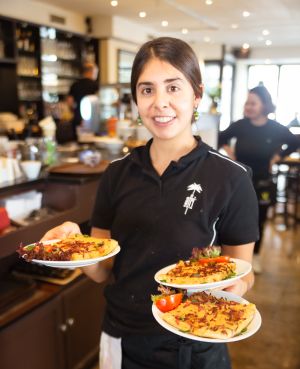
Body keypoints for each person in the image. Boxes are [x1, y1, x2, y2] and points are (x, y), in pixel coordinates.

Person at [42, 37, 259, 369]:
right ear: (135, 100)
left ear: (196, 94)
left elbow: (243, 272)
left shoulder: (232, 178)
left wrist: (236, 285)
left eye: (173, 88)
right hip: (124, 338)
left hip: (196, 342)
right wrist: (75, 250)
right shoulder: (116, 174)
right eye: (147, 90)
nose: (160, 103)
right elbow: (102, 270)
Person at [219, 85, 300, 273]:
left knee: (259, 220)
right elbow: (220, 136)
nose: (248, 107)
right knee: (233, 219)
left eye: (253, 103)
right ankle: (232, 257)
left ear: (264, 105)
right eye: (247, 103)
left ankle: (254, 257)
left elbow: (295, 141)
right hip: (239, 181)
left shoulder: (275, 128)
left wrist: (278, 156)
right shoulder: (240, 125)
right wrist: (229, 151)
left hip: (263, 181)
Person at [67, 62, 99, 139]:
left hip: (77, 119)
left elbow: (69, 102)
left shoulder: (75, 84)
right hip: (93, 121)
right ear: (92, 72)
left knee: (78, 142)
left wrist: (74, 110)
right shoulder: (95, 85)